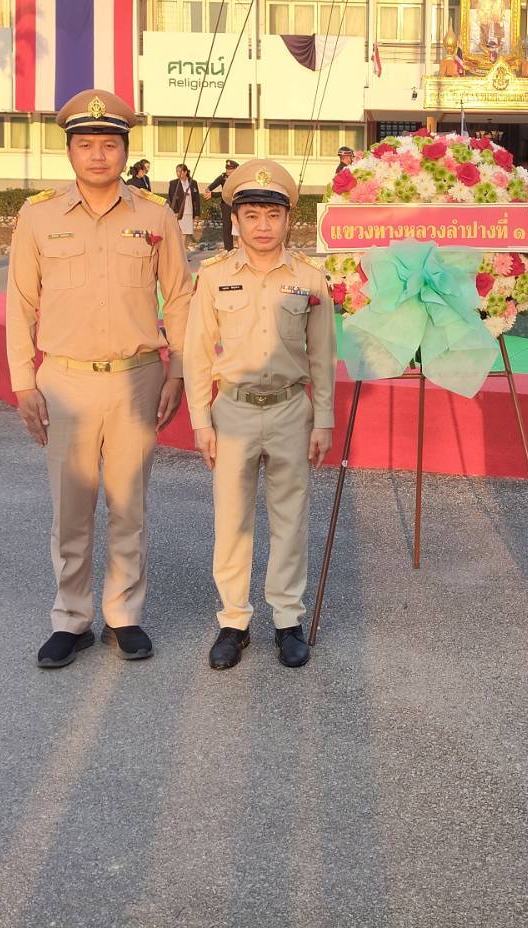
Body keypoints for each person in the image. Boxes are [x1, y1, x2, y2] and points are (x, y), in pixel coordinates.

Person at [6, 89, 194, 670]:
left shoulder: (154, 216)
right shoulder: (38, 217)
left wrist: (179, 369)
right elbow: (20, 302)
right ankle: (71, 619)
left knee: (128, 506)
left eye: (108, 144)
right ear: (69, 151)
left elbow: (179, 296)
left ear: (125, 151)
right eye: (85, 144)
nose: (97, 155)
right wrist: (23, 382)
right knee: (72, 510)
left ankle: (123, 615)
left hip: (137, 379)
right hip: (65, 381)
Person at [184, 158, 336, 672]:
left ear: (288, 219)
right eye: (251, 215)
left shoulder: (309, 277)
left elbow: (322, 354)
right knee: (232, 520)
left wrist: (323, 419)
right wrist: (201, 421)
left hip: (292, 409)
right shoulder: (213, 277)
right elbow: (197, 352)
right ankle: (234, 621)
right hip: (234, 411)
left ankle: (287, 620)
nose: (263, 226)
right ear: (235, 220)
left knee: (290, 519)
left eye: (273, 215)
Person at [206, 159, 238, 252]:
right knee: (227, 227)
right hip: (226, 205)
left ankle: (242, 248)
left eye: (230, 169)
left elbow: (230, 192)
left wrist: (214, 194)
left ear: (235, 169)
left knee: (239, 226)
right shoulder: (223, 177)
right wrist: (208, 190)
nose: (228, 171)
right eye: (227, 168)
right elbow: (212, 186)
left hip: (237, 204)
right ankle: (228, 249)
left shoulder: (238, 178)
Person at [167, 163, 201, 248]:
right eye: (177, 171)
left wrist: (197, 213)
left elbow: (196, 199)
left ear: (185, 172)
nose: (178, 173)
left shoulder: (193, 182)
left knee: (186, 233)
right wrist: (175, 211)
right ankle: (180, 251)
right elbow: (171, 198)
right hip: (179, 212)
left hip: (189, 211)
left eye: (180, 171)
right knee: (180, 232)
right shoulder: (174, 183)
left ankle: (183, 251)